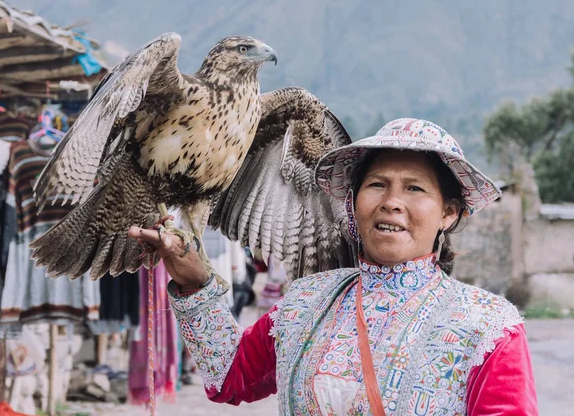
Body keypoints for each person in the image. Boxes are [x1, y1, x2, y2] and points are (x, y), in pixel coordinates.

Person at [129, 118, 538, 415]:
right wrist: (195, 280)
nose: (391, 201)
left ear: (448, 212)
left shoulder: (486, 328)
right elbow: (230, 377)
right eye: (377, 185)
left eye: (414, 188)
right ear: (353, 203)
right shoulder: (308, 302)